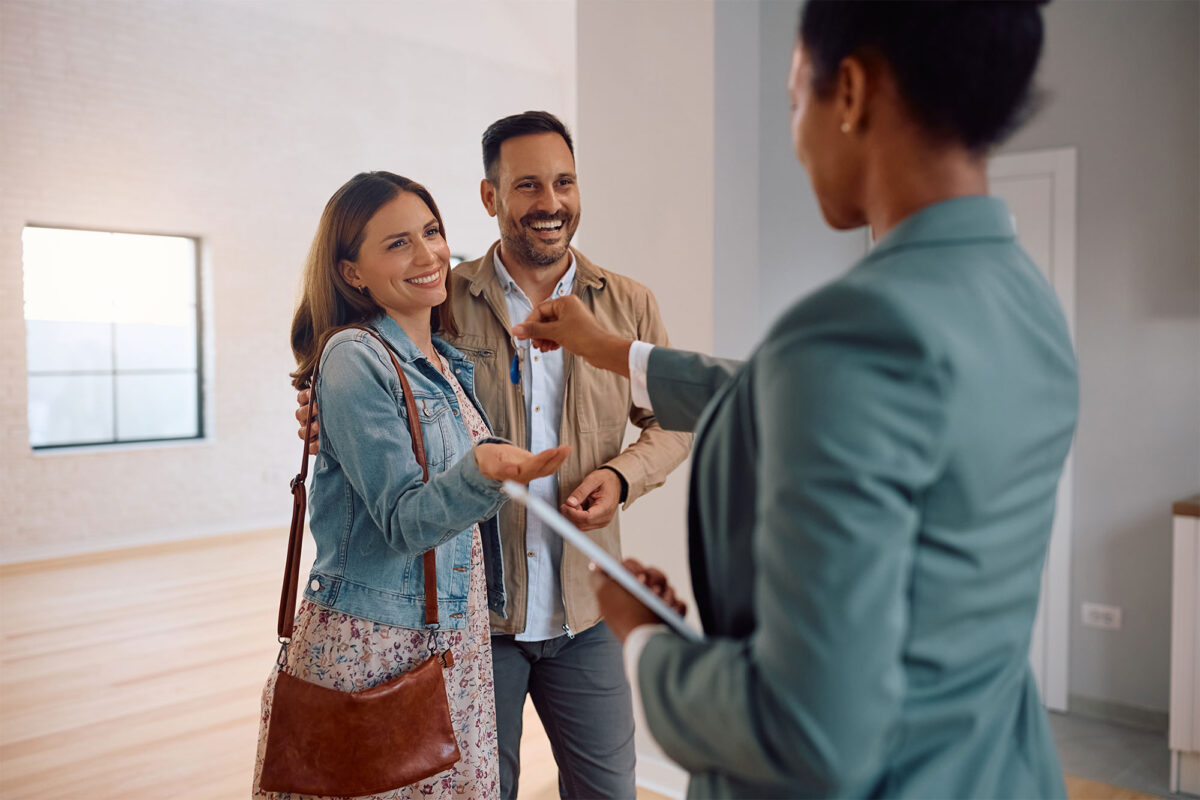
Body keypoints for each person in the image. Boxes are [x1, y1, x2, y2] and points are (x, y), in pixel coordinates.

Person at [513, 2, 1078, 797]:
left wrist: (646, 643)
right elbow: (778, 392)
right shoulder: (1025, 300)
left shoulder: (848, 335)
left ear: (848, 91)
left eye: (792, 101)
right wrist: (612, 351)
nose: (794, 135)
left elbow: (808, 729)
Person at [297, 113, 691, 799]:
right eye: (528, 185)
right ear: (491, 197)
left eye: (564, 182)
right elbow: (380, 383)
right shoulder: (446, 303)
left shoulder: (628, 304)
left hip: (583, 610)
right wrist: (318, 406)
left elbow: (675, 424)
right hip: (478, 620)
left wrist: (621, 477)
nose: (551, 202)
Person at [254, 171, 570, 800]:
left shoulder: (446, 365)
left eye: (432, 232)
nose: (428, 255)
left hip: (451, 639)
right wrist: (486, 471)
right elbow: (404, 521)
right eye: (398, 243)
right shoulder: (354, 355)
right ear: (352, 273)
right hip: (378, 646)